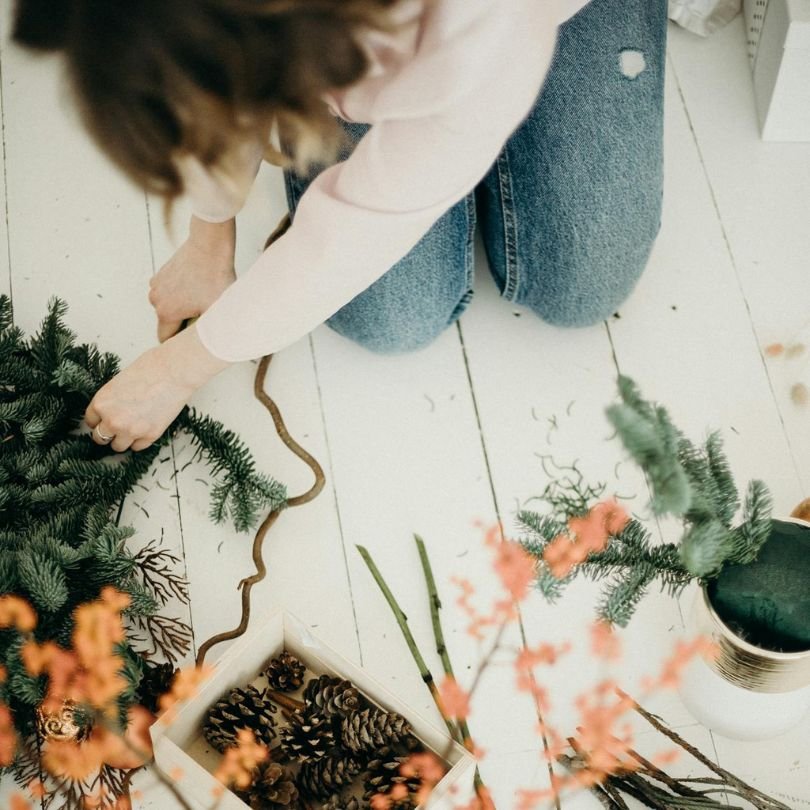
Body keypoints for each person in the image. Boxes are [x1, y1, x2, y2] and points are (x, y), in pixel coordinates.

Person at [13, 0, 667, 453]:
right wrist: (209, 235)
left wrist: (178, 370)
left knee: (580, 286)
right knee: (389, 320)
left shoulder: (480, 30)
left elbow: (360, 227)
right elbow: (217, 77)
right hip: (367, 37)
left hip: (490, 29)